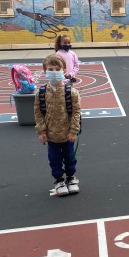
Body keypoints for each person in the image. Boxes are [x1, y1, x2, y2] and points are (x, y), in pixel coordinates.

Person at [34, 54, 81, 196]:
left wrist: (74, 131)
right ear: (45, 71)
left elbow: (76, 112)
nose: (54, 72)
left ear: (64, 70)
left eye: (57, 69)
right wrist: (41, 131)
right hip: (51, 135)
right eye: (50, 69)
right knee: (54, 160)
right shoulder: (41, 93)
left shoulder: (71, 92)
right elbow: (38, 113)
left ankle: (71, 178)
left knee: (70, 158)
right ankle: (59, 180)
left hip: (67, 135)